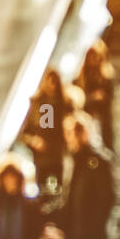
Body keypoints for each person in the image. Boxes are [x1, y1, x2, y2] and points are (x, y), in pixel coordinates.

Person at [54, 112, 115, 239]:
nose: (71, 139)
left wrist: (92, 228)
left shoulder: (96, 163)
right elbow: (70, 201)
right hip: (76, 235)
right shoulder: (75, 163)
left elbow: (105, 199)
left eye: (73, 133)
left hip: (91, 236)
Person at [19, 69, 71, 201]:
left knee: (58, 190)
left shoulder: (64, 103)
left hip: (58, 155)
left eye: (54, 82)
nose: (51, 86)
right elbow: (24, 133)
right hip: (42, 158)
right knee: (42, 191)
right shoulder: (37, 103)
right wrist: (33, 141)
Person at [74, 41, 116, 153]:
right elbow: (78, 97)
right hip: (87, 115)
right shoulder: (81, 76)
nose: (94, 60)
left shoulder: (106, 75)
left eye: (96, 56)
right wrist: (91, 98)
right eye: (91, 56)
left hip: (102, 115)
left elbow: (109, 96)